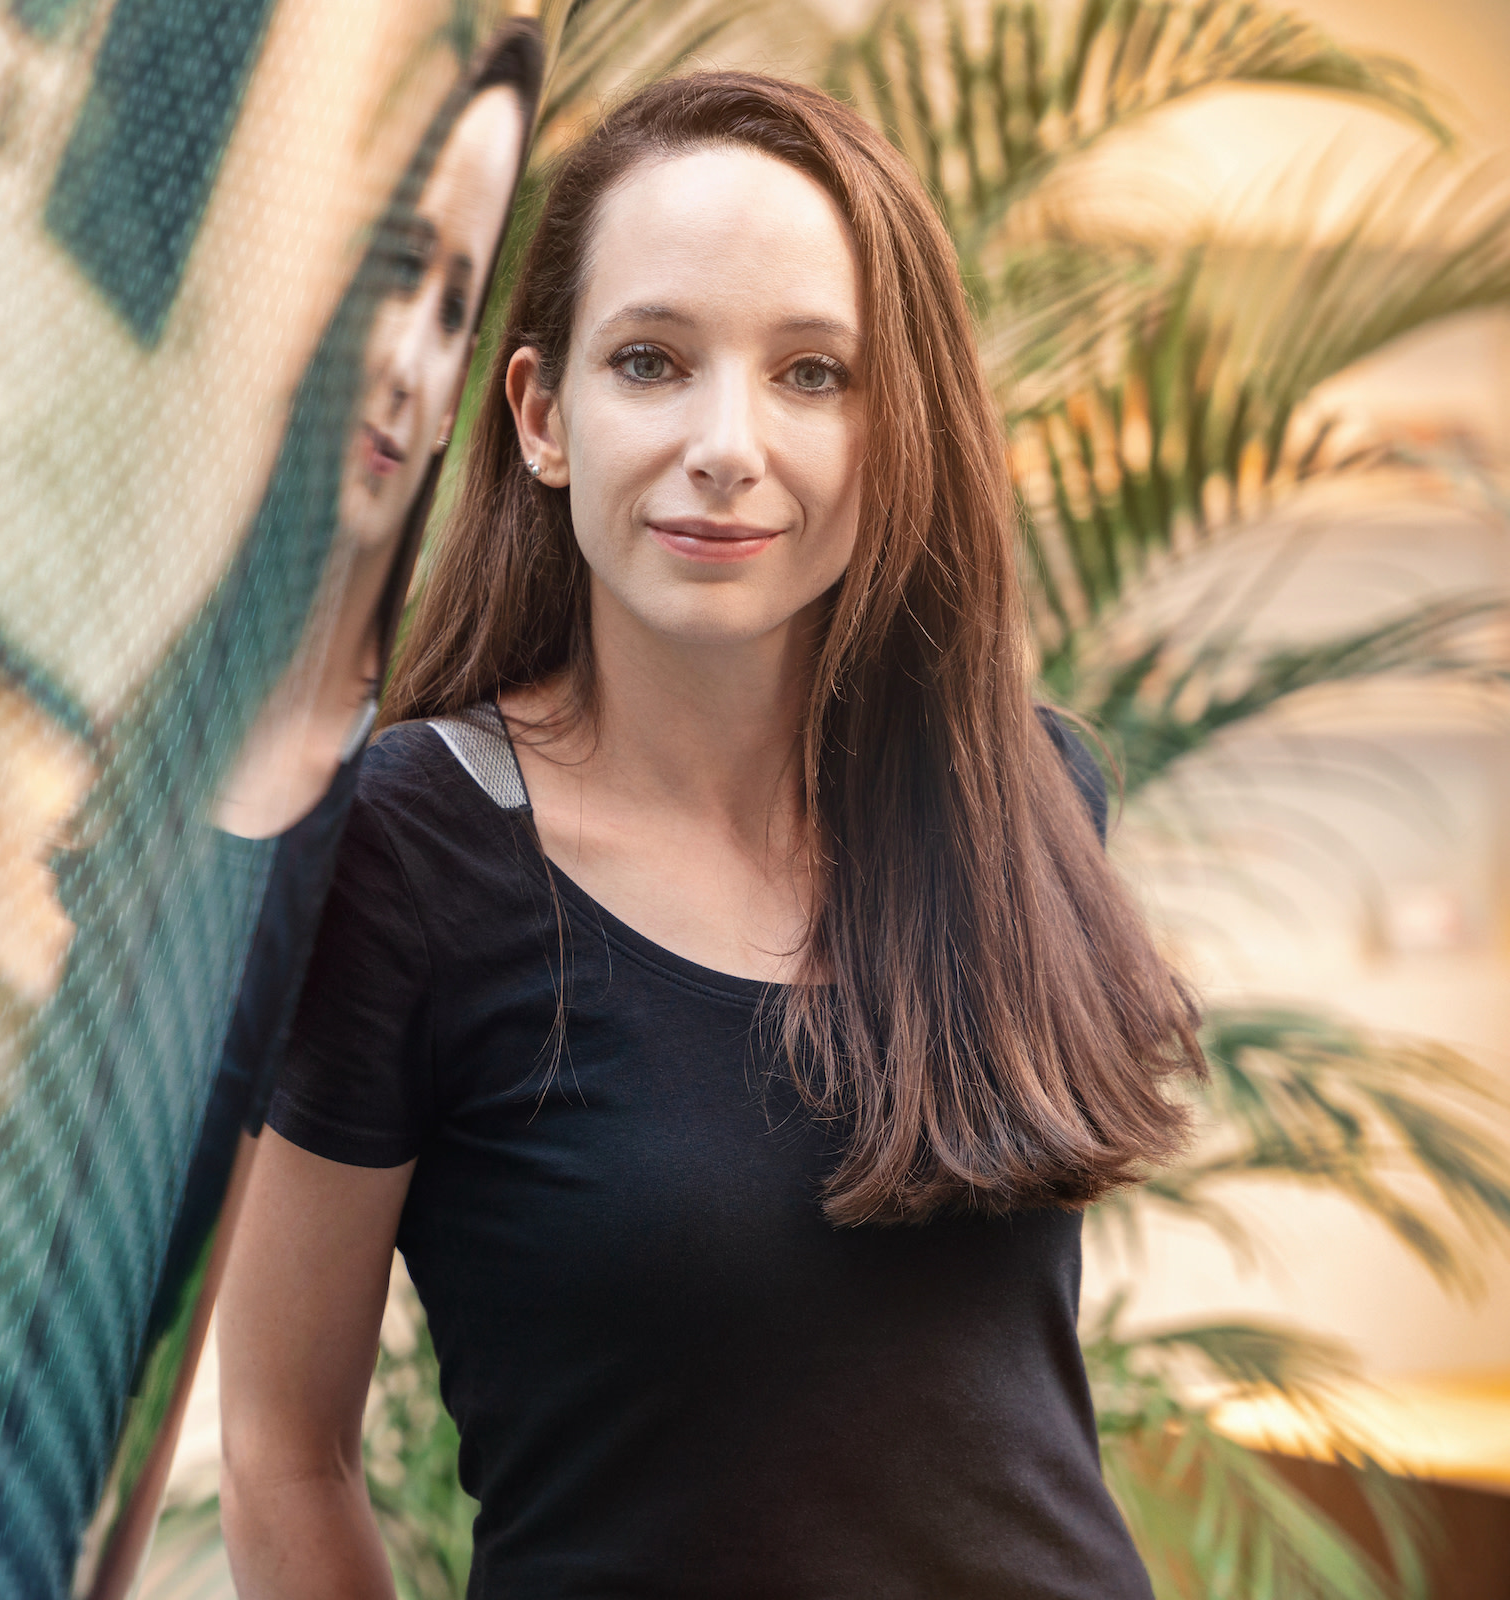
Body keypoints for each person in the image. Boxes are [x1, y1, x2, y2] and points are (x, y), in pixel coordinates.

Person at [217, 71, 1204, 1598]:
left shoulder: (1017, 800)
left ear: (896, 427)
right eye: (653, 361)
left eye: (814, 372)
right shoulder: (413, 849)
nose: (727, 443)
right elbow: (287, 1458)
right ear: (544, 416)